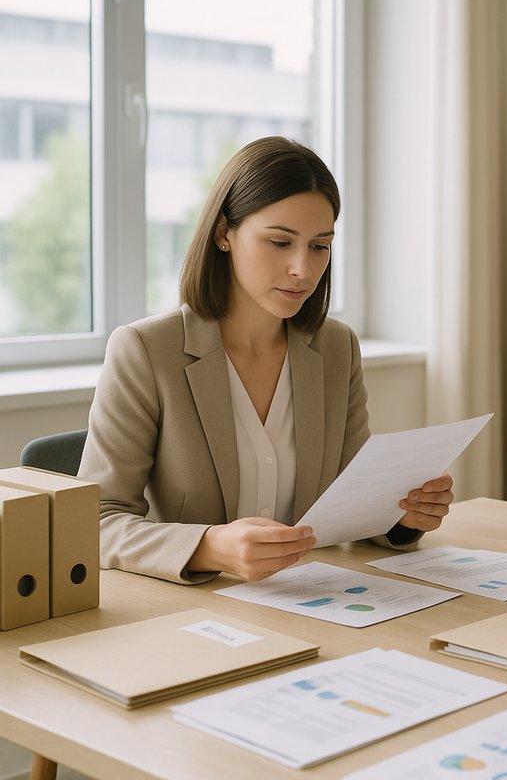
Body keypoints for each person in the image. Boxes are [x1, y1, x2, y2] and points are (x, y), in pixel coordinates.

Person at [79, 136, 453, 584]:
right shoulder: (145, 350)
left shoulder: (336, 348)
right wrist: (208, 547)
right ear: (224, 234)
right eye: (280, 242)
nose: (303, 269)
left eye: (319, 246)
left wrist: (402, 516)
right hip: (192, 609)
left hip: (313, 598)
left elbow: (354, 498)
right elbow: (95, 521)